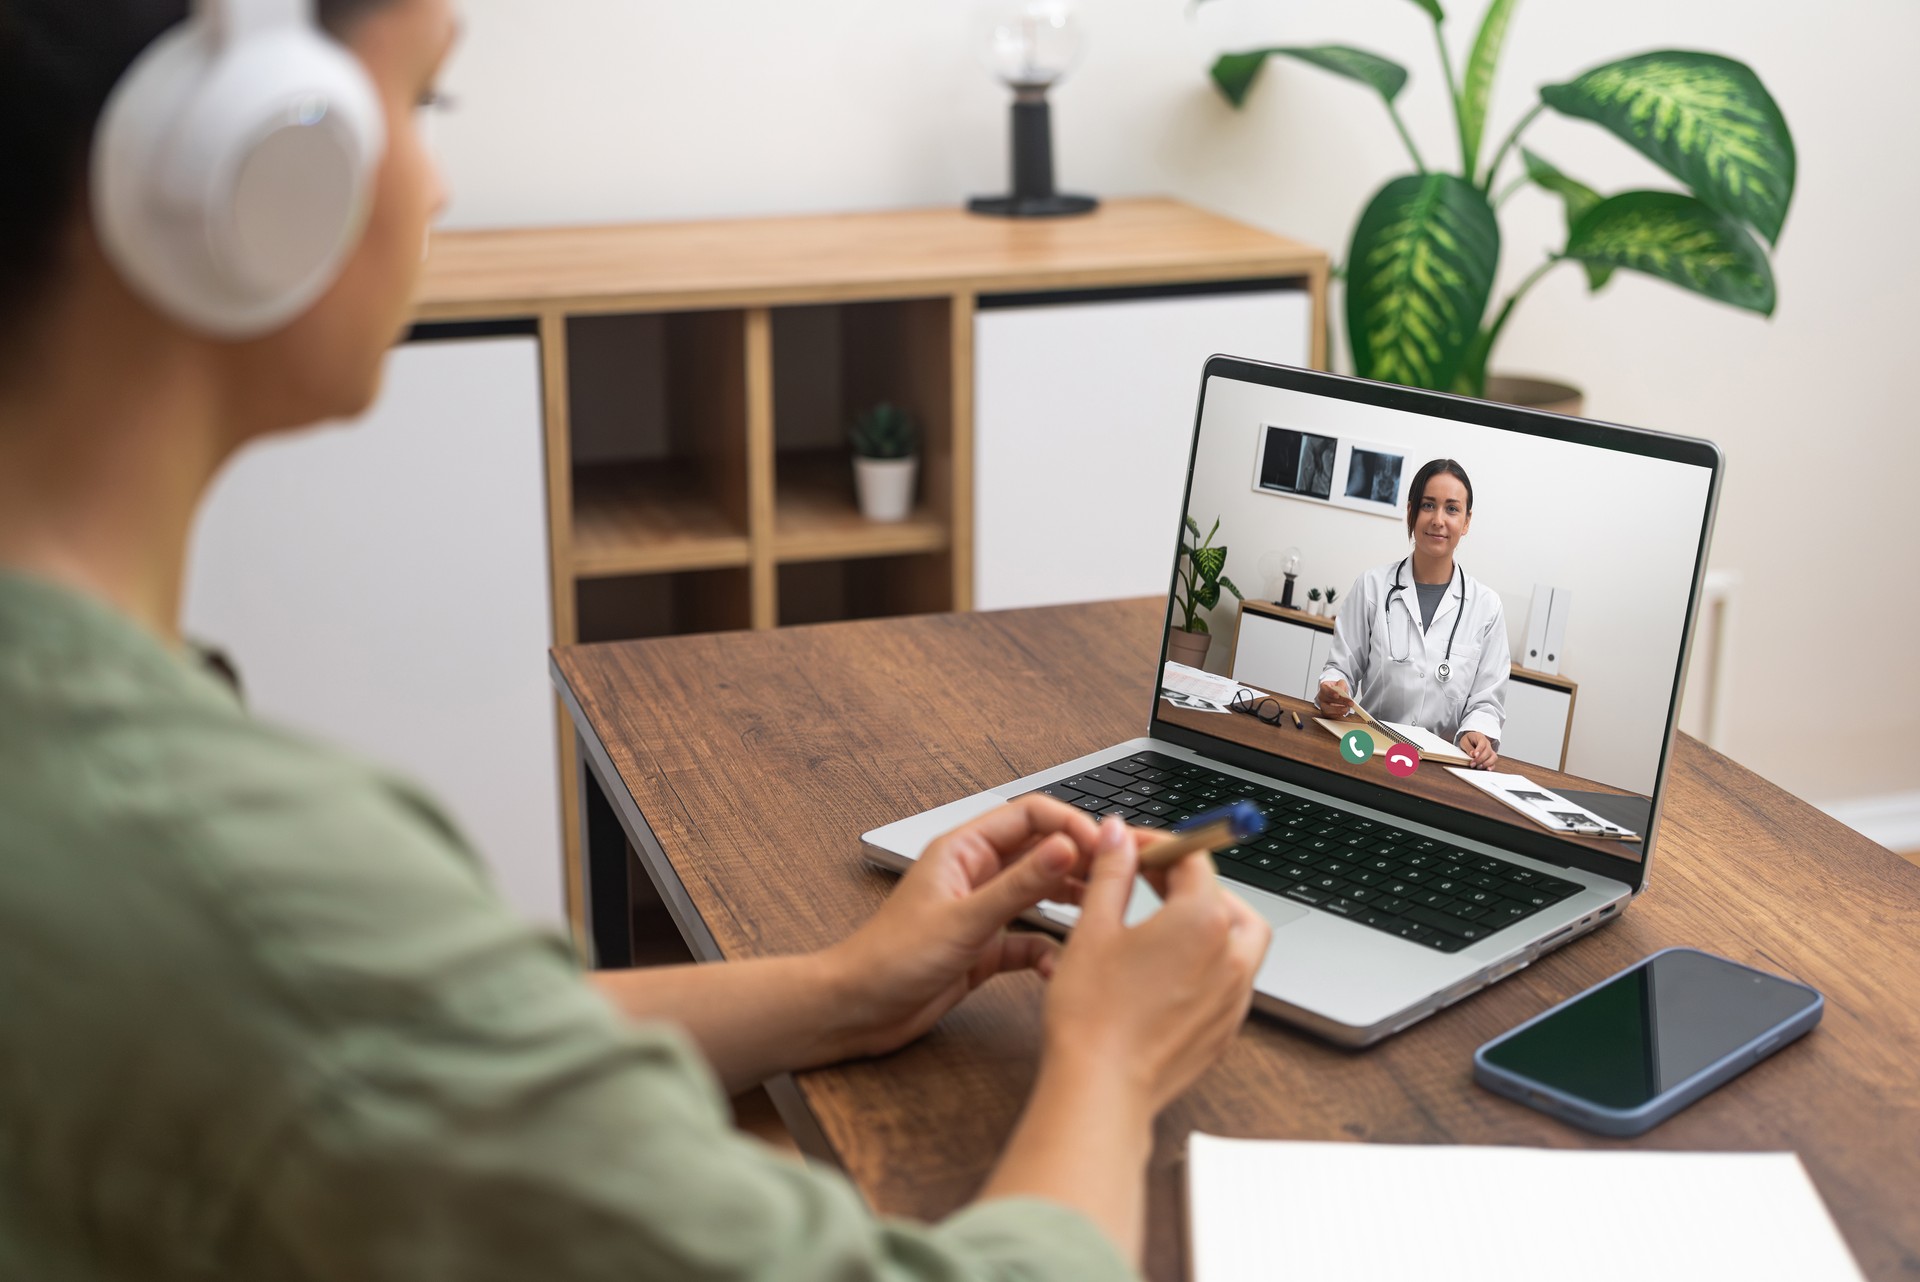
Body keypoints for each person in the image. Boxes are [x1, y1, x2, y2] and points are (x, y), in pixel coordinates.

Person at [0, 2, 1272, 1278]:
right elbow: (335, 1016)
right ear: (227, 156)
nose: (437, 183)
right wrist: (1112, 1062)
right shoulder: (228, 880)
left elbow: (430, 1049)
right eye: (423, 104)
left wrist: (845, 988)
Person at [1315, 458, 1511, 769]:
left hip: (1442, 767)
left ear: (1467, 521)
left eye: (1452, 508)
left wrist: (1477, 731)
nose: (1438, 519)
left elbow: (1486, 700)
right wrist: (1334, 689)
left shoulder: (1487, 607)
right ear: (1410, 511)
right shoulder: (1372, 586)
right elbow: (1341, 668)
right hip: (1369, 754)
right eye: (1428, 505)